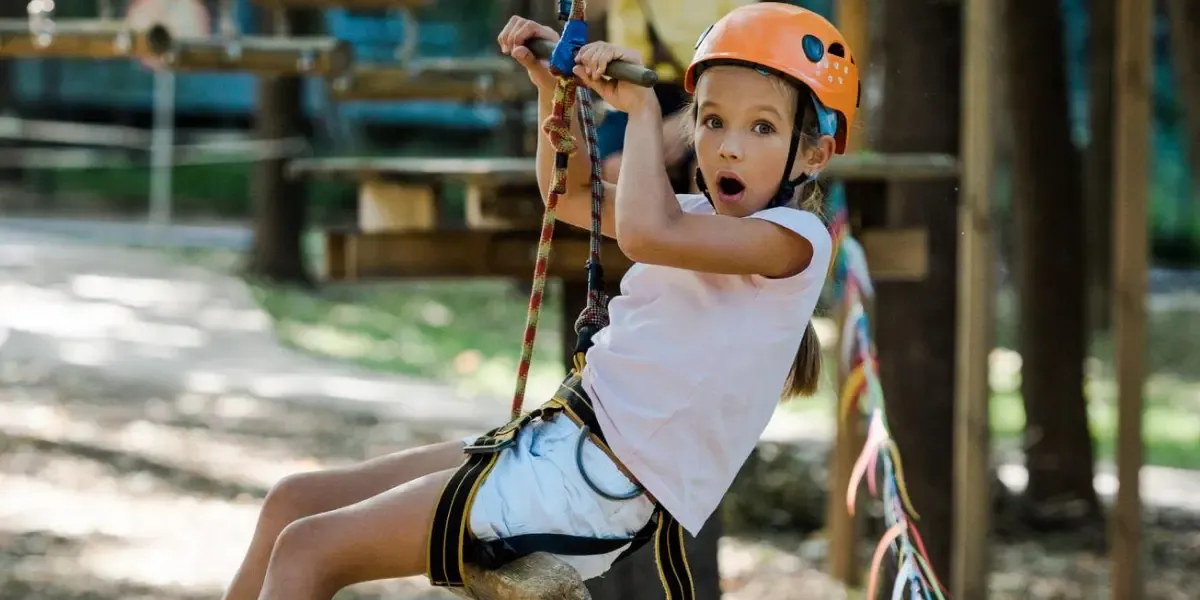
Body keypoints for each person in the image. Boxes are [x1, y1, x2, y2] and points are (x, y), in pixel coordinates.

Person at [219, 5, 860, 599]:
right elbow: (569, 194)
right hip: (557, 447)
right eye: (713, 119)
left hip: (592, 487)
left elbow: (643, 231)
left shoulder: (798, 244)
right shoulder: (691, 214)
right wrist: (554, 90)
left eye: (762, 127)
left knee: (308, 550)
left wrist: (639, 113)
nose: (728, 145)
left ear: (814, 153)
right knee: (292, 503)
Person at [594, 0, 755, 191]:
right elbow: (627, 69)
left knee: (708, 173)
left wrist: (688, 121)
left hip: (718, 97)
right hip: (653, 90)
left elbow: (745, 70)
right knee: (613, 169)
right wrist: (646, 125)